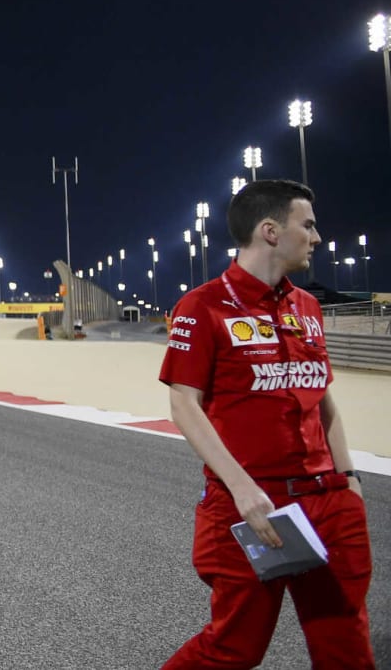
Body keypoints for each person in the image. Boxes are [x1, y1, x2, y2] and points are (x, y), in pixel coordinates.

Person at [159, 179, 371, 668]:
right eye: (309, 224)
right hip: (252, 507)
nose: (317, 237)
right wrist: (243, 490)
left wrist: (350, 481)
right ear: (271, 230)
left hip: (328, 500)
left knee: (345, 642)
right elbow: (184, 405)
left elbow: (323, 400)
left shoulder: (308, 307)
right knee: (235, 648)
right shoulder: (202, 306)